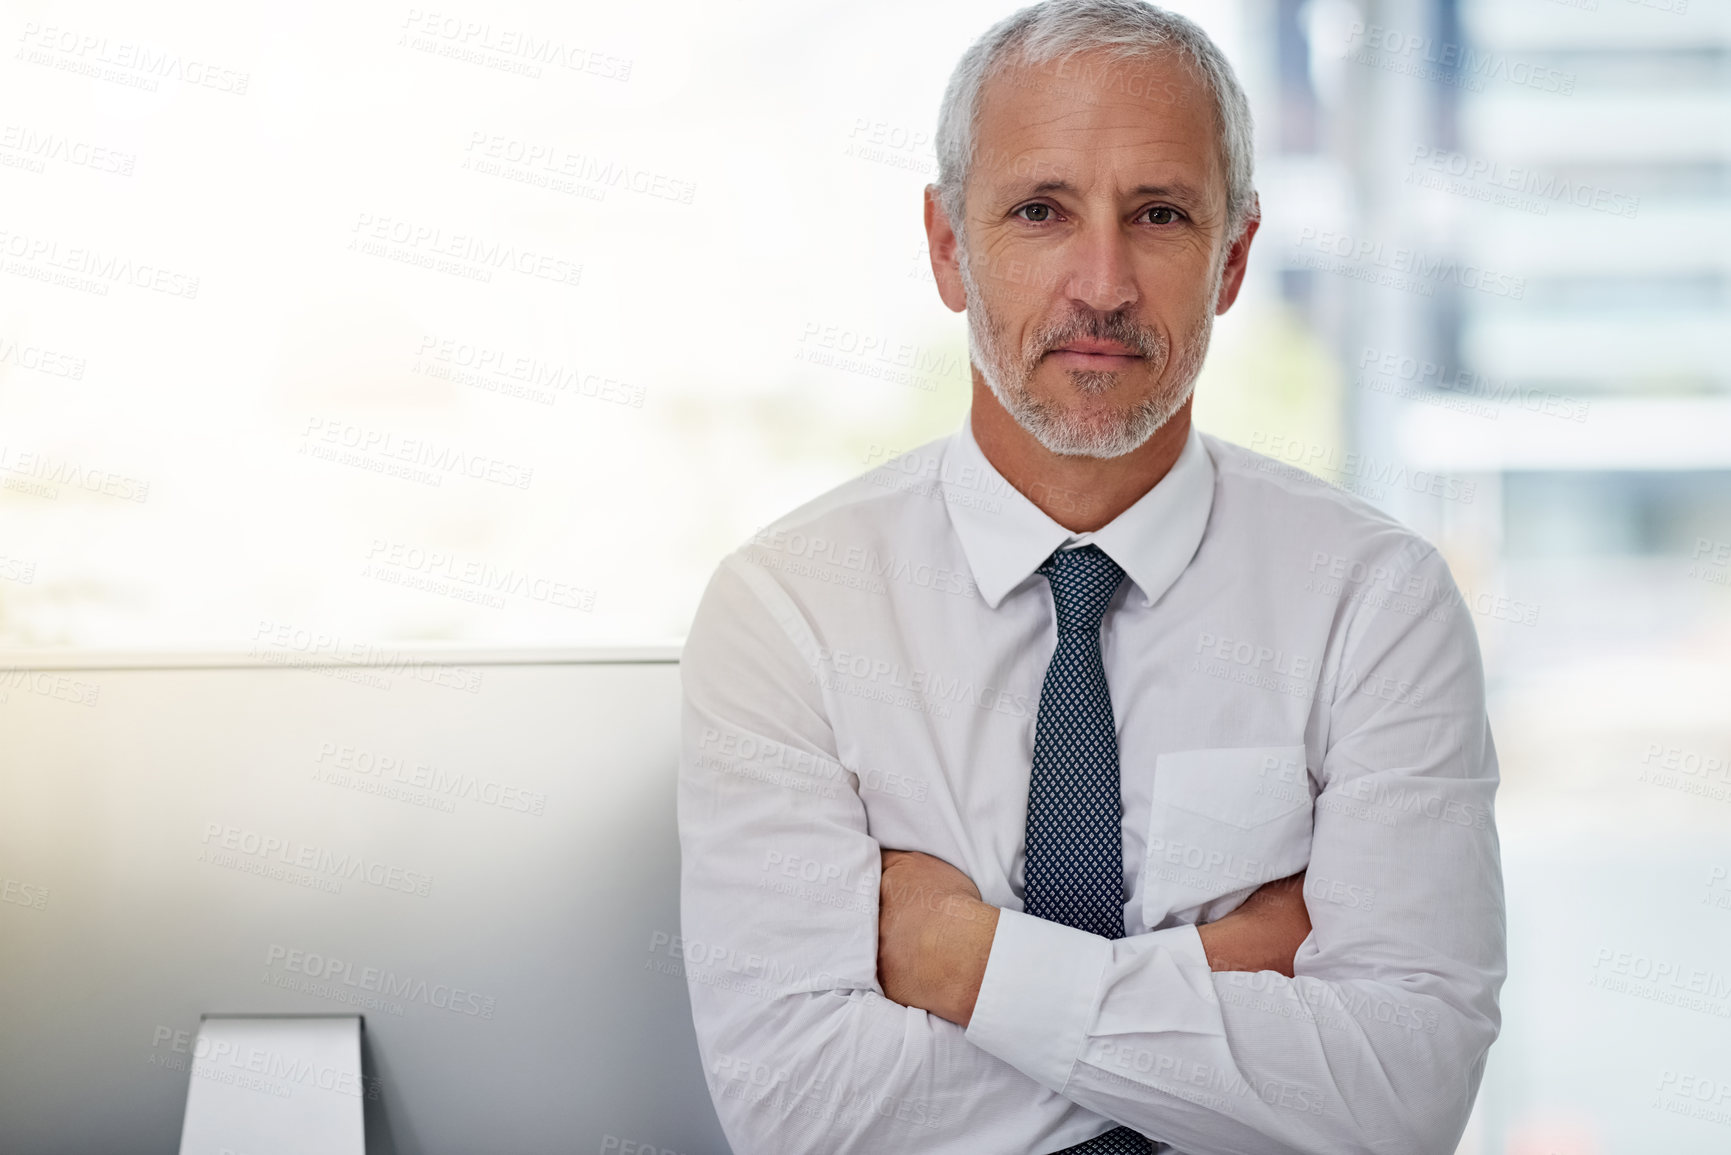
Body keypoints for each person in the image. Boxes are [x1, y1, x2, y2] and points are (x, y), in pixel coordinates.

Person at [676, 2, 1506, 1151]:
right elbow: (803, 1110)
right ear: (947, 248)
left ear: (1234, 257)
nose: (1103, 284)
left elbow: (1401, 1096)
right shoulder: (791, 611)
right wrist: (1222, 976)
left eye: (1159, 214)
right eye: (1040, 211)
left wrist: (963, 961)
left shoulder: (1377, 603)